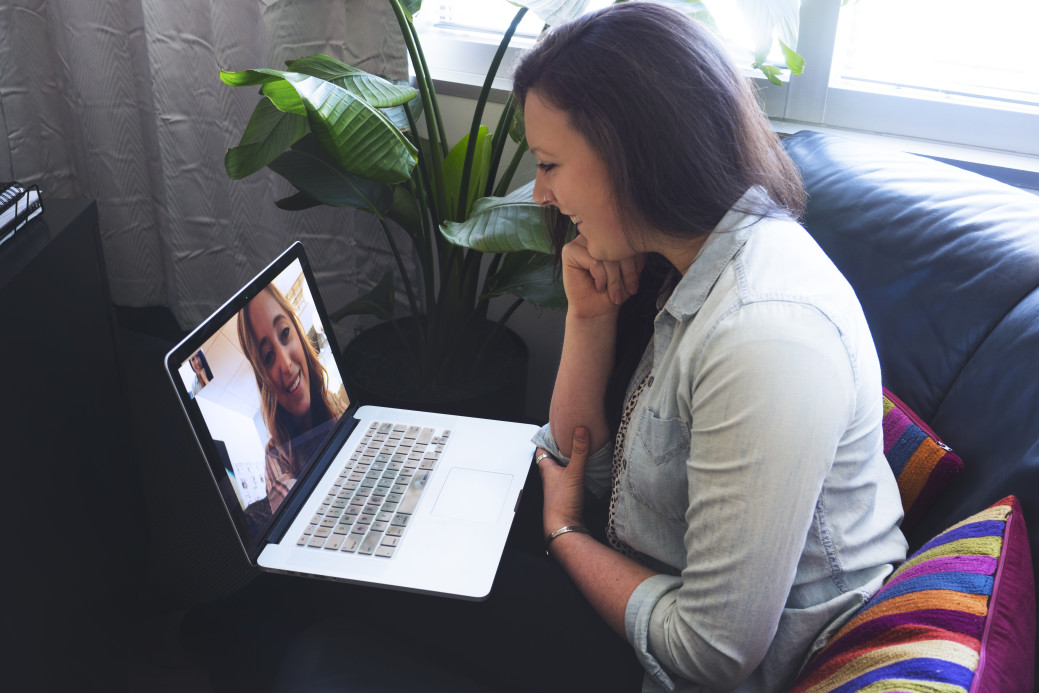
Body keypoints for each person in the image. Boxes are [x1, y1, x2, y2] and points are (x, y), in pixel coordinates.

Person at [514, 3, 908, 691]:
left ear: (632, 154)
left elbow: (711, 651)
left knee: (346, 631)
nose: (540, 193)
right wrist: (588, 319)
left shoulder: (762, 335)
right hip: (647, 589)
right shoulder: (687, 262)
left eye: (549, 163)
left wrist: (562, 533)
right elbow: (574, 461)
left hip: (725, 670)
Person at [237, 282, 345, 513]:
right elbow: (307, 518)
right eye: (268, 356)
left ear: (297, 330)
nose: (285, 365)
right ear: (263, 379)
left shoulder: (336, 405)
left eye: (285, 333)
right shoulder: (274, 458)